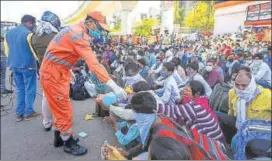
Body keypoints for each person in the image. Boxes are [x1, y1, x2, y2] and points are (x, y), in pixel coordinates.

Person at [39, 11, 126, 156]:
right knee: (64, 109)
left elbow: (59, 51)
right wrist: (114, 86)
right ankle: (68, 143)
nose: (101, 33)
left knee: (59, 107)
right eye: (100, 28)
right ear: (90, 23)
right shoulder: (79, 36)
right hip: (53, 74)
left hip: (56, 71)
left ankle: (59, 137)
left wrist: (68, 69)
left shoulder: (73, 29)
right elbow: (94, 65)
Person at [216, 66, 271, 156]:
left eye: (244, 85)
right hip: (240, 122)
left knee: (255, 148)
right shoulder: (232, 92)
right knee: (216, 115)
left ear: (251, 83)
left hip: (259, 128)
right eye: (237, 84)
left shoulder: (267, 95)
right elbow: (231, 111)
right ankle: (227, 143)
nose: (240, 88)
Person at [157, 80, 226, 143]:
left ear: (197, 94)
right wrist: (180, 100)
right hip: (211, 138)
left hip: (213, 143)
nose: (184, 90)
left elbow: (171, 110)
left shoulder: (197, 106)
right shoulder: (197, 100)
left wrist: (152, 105)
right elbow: (181, 109)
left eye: (187, 90)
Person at [4, 15, 41, 122]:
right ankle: (28, 112)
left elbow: (7, 51)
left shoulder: (8, 33)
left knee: (20, 90)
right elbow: (34, 51)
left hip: (14, 65)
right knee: (30, 89)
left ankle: (19, 113)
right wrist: (39, 63)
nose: (33, 26)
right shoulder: (29, 34)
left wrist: (13, 62)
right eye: (33, 24)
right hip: (27, 65)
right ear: (29, 23)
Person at [29, 11, 61, 131]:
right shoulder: (56, 36)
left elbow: (36, 55)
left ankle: (47, 122)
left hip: (43, 69)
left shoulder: (33, 36)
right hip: (56, 70)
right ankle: (60, 121)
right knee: (59, 97)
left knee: (46, 96)